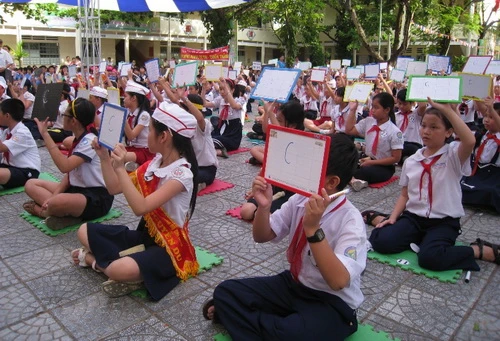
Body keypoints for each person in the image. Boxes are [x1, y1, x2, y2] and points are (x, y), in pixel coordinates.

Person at [203, 133, 365, 340]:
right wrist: (263, 207)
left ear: (332, 182)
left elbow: (338, 281)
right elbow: (262, 236)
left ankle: (247, 321)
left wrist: (313, 230)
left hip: (332, 303)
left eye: (310, 168)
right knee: (226, 292)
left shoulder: (350, 221)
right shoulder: (299, 199)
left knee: (290, 334)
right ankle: (266, 325)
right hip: (295, 285)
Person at [71, 101, 200, 300]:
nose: (145, 135)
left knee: (117, 269)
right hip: (146, 235)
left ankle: (93, 261)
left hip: (168, 247)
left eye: (149, 131)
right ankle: (132, 269)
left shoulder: (182, 175)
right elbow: (114, 188)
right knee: (84, 230)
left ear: (163, 136)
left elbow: (141, 207)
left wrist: (121, 168)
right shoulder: (152, 164)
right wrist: (104, 158)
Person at [367, 98, 500, 271]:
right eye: (423, 126)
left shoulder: (453, 155)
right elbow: (405, 195)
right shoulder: (413, 160)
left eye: (434, 127)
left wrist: (448, 110)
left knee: (430, 259)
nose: (426, 131)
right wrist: (393, 218)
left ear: (448, 132)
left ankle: (478, 250)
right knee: (380, 241)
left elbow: (469, 141)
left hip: (443, 221)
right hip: (414, 217)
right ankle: (405, 229)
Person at [23, 98, 114, 230]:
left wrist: (45, 134)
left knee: (56, 202)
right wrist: (54, 196)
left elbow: (64, 166)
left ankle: (43, 212)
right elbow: (70, 174)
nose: (62, 118)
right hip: (75, 189)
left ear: (73, 121)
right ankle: (63, 213)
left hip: (96, 197)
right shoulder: (79, 138)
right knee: (31, 184)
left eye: (64, 115)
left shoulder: (89, 142)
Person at [240, 100, 304, 220]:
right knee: (245, 211)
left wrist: (270, 113)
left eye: (279, 120)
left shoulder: (298, 143)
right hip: (274, 187)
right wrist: (256, 188)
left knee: (267, 219)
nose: (275, 123)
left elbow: (279, 133)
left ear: (292, 125)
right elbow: (266, 130)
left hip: (290, 193)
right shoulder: (278, 140)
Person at [344, 92, 403, 191]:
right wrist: (352, 110)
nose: (373, 110)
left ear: (387, 110)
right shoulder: (368, 122)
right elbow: (349, 130)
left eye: (376, 107)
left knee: (365, 171)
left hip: (384, 166)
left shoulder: (394, 132)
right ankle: (353, 179)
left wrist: (373, 162)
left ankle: (351, 178)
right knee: (343, 160)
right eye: (372, 107)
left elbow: (395, 158)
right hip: (367, 159)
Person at [461, 97, 500, 214]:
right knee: (459, 184)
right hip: (478, 172)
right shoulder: (482, 134)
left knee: (492, 191)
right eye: (486, 116)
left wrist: (491, 108)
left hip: (494, 175)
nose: (486, 120)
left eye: (491, 117)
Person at [0, 98, 40, 188]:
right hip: (9, 166)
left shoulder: (22, 132)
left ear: (7, 116)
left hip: (26, 171)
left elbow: (1, 148)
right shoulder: (7, 131)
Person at [202, 78, 245, 157]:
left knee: (213, 141)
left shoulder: (239, 99)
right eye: (221, 89)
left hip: (233, 134)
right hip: (221, 129)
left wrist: (228, 92)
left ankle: (217, 151)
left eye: (224, 89)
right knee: (205, 139)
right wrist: (203, 89)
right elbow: (204, 104)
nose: (222, 92)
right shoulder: (220, 99)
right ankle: (219, 151)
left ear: (232, 90)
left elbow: (234, 106)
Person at [123, 80, 155, 166]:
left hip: (144, 151)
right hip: (133, 148)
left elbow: (131, 136)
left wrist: (123, 119)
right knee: (112, 151)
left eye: (126, 96)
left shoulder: (144, 115)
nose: (124, 99)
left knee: (118, 156)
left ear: (133, 98)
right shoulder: (129, 113)